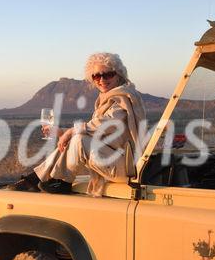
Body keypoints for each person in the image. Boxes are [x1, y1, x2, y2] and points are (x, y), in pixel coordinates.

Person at [8, 52, 146, 196]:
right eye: (96, 76)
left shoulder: (123, 97)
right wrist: (63, 132)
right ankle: (46, 179)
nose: (102, 80)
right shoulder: (108, 98)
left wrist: (70, 132)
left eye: (108, 74)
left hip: (127, 167)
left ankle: (51, 180)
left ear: (119, 75)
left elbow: (109, 123)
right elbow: (96, 130)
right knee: (77, 137)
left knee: (79, 138)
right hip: (116, 161)